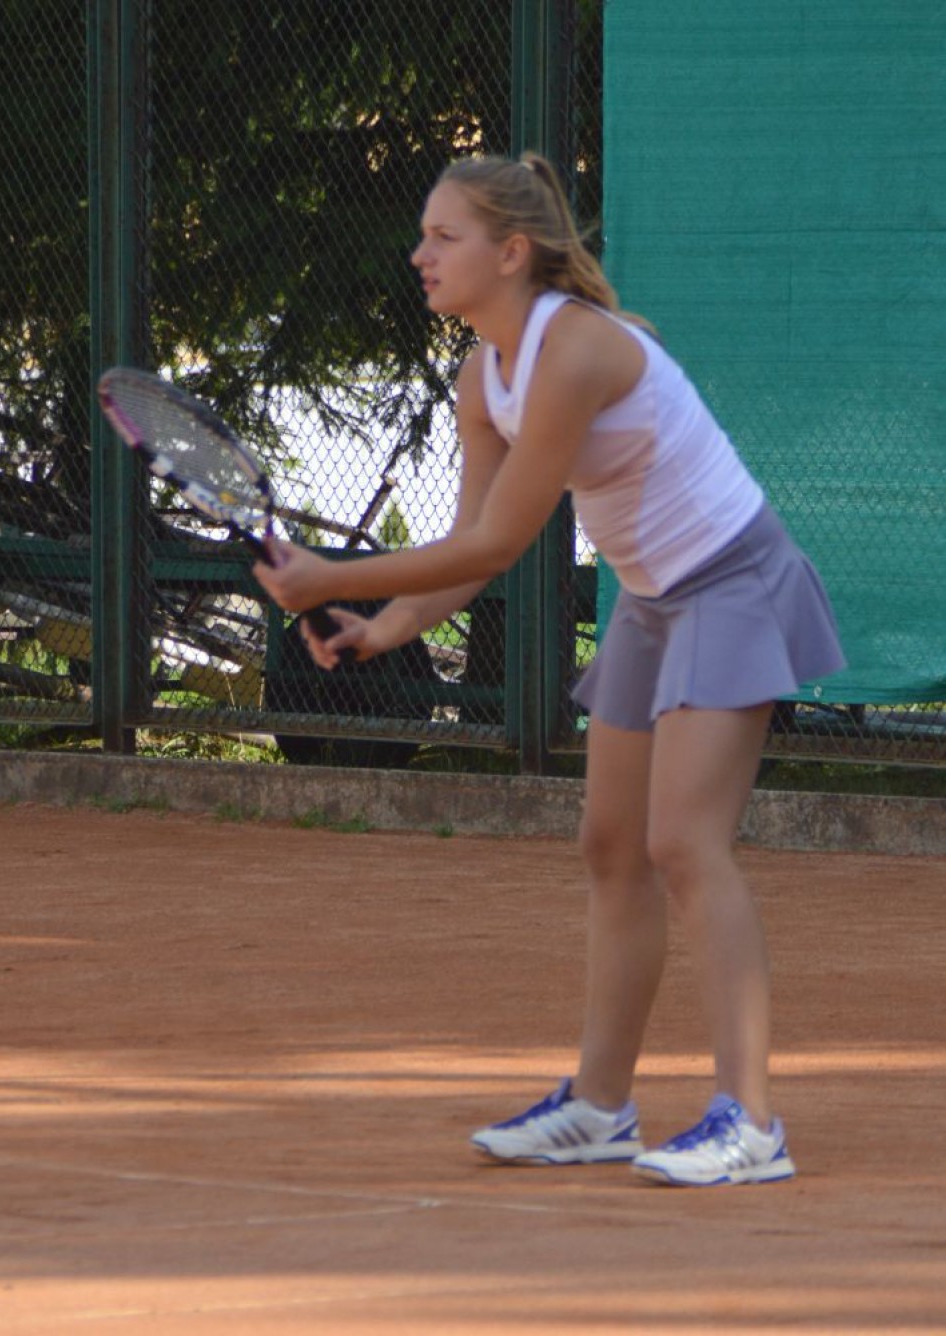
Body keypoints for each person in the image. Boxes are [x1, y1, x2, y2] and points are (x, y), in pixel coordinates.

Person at [253, 152, 845, 1187]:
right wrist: (382, 628)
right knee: (610, 846)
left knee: (684, 843)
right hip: (653, 599)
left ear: (511, 252)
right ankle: (599, 1108)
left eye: (444, 236)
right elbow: (473, 545)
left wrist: (331, 574)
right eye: (423, 235)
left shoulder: (572, 349)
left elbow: (499, 542)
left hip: (731, 581)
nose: (420, 254)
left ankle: (751, 1123)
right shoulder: (482, 375)